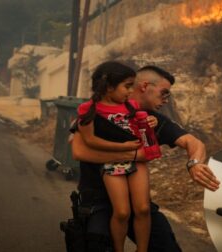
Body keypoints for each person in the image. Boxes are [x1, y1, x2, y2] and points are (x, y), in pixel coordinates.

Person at [71, 65, 220, 251]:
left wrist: (194, 164)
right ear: (144, 86)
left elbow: (194, 142)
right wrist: (133, 154)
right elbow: (79, 151)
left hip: (138, 203)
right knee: (97, 244)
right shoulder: (98, 111)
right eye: (163, 93)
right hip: (97, 202)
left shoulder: (153, 119)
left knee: (165, 245)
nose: (166, 100)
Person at [77, 61, 160, 252]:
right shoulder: (88, 109)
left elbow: (140, 128)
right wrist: (121, 147)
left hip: (136, 162)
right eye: (127, 86)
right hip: (112, 162)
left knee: (143, 209)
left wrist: (150, 121)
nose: (131, 91)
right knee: (122, 212)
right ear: (109, 86)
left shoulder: (131, 105)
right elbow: (90, 141)